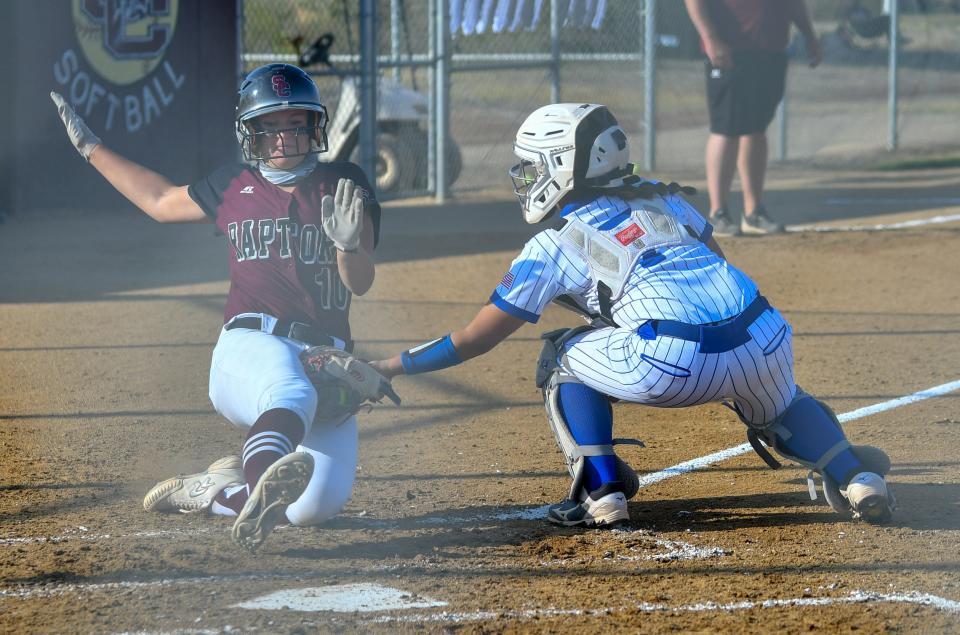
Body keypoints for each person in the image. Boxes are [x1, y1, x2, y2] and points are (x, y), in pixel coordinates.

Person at [370, 103, 895, 528]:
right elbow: (716, 270)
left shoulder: (553, 243)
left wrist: (393, 365)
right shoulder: (669, 200)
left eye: (533, 165)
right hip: (763, 332)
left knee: (561, 357)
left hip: (672, 362)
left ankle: (603, 491)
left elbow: (475, 339)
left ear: (560, 166)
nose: (527, 176)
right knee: (781, 403)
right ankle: (856, 475)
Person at [50, 63, 382, 551]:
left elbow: (362, 282)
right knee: (290, 390)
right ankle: (263, 466)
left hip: (328, 363)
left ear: (315, 126)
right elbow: (161, 201)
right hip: (252, 344)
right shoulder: (234, 183)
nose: (285, 138)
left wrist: (350, 248)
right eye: (270, 126)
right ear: (251, 133)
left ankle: (218, 490)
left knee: (314, 507)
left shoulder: (345, 180)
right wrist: (91, 150)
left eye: (295, 123)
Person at [683, 0, 822, 236]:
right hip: (730, 50)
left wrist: (809, 35)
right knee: (725, 129)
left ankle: (753, 213)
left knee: (756, 129)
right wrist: (711, 39)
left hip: (770, 50)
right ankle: (718, 213)